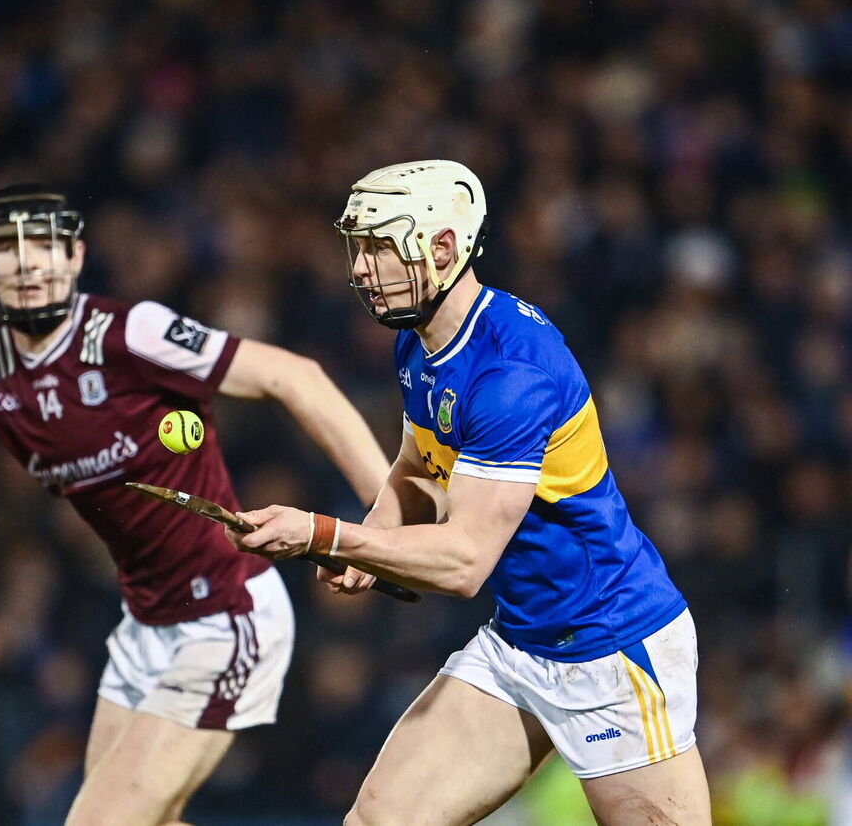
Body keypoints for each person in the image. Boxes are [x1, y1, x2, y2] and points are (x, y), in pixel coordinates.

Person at [0, 184, 389, 826]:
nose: (26, 263)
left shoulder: (132, 333)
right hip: (144, 625)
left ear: (76, 256)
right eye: (5, 248)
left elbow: (294, 376)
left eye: (43, 245)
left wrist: (384, 520)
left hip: (227, 614)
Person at [227, 161, 712, 825]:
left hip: (612, 648)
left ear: (444, 247)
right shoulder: (418, 344)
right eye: (357, 248)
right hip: (521, 642)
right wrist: (375, 537)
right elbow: (417, 470)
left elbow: (463, 563)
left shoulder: (511, 373)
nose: (361, 269)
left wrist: (325, 534)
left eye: (380, 247)